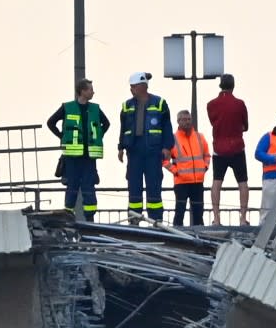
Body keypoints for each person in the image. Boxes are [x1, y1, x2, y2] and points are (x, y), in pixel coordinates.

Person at [46, 79, 111, 222]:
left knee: (89, 188)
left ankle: (90, 220)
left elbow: (106, 124)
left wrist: (97, 136)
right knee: (72, 186)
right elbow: (50, 122)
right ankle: (68, 217)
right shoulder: (67, 107)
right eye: (90, 89)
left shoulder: (95, 108)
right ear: (82, 91)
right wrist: (62, 137)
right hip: (72, 156)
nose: (93, 92)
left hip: (89, 156)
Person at [117, 71, 175, 227]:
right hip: (134, 152)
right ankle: (134, 222)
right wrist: (121, 148)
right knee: (134, 187)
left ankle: (156, 222)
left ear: (142, 86)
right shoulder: (126, 105)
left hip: (153, 152)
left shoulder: (160, 103)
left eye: (133, 87)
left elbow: (167, 127)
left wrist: (167, 147)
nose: (131, 90)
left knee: (154, 186)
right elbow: (123, 128)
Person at [207, 73, 249, 227]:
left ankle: (216, 218)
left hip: (219, 147)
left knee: (217, 182)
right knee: (242, 182)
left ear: (220, 86)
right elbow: (246, 125)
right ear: (233, 85)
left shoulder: (211, 104)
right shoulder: (239, 104)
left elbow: (213, 122)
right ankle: (243, 218)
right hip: (237, 147)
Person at [163, 110, 211, 228]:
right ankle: (176, 236)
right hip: (181, 182)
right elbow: (164, 160)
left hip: (198, 182)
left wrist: (205, 166)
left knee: (199, 213)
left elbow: (207, 155)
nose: (187, 122)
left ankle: (200, 236)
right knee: (180, 211)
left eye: (189, 119)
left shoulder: (200, 137)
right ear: (178, 121)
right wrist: (176, 171)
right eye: (184, 119)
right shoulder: (172, 139)